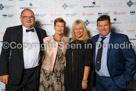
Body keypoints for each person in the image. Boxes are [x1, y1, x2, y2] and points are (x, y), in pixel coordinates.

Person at [0, 9, 47, 91]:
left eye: (31, 17)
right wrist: (3, 73)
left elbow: (44, 52)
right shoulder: (11, 31)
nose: (28, 19)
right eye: (25, 16)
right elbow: (4, 53)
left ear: (34, 18)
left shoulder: (42, 32)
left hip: (34, 74)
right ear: (20, 18)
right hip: (15, 72)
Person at [91, 15, 136, 91]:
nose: (103, 28)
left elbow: (131, 59)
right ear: (97, 26)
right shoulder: (93, 40)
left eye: (105, 25)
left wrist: (126, 78)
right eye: (100, 26)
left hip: (115, 82)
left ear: (110, 25)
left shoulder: (121, 39)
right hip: (98, 81)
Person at [39, 17, 69, 91]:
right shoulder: (46, 40)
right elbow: (42, 56)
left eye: (62, 26)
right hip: (47, 71)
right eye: (58, 26)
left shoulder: (67, 40)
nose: (59, 28)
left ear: (64, 28)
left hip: (60, 72)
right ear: (54, 27)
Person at [65, 19, 94, 91]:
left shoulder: (88, 42)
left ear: (84, 29)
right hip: (69, 76)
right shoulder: (71, 41)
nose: (78, 31)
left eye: (80, 29)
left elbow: (88, 63)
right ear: (73, 30)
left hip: (81, 76)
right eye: (76, 29)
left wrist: (84, 80)